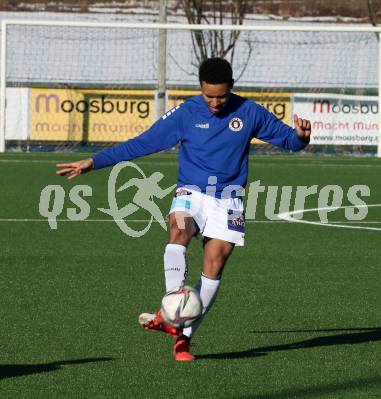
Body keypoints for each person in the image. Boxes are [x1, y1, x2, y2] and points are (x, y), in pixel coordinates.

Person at [56, 58, 311, 361]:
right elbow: (142, 143)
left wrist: (301, 137)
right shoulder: (186, 113)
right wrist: (94, 162)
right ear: (201, 88)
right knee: (178, 229)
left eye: (221, 96)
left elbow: (288, 141)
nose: (215, 103)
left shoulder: (250, 112)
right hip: (190, 191)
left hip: (229, 199)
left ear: (231, 88)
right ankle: (171, 305)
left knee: (214, 263)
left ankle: (182, 337)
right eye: (209, 96)